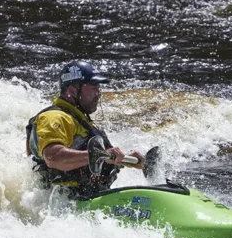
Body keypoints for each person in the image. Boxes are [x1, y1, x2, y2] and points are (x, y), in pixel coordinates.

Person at [26, 60, 145, 198]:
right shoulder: (55, 117)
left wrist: (127, 160)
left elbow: (94, 157)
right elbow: (53, 157)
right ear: (72, 90)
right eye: (94, 86)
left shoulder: (78, 118)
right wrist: (102, 155)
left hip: (87, 197)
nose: (99, 93)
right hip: (63, 204)